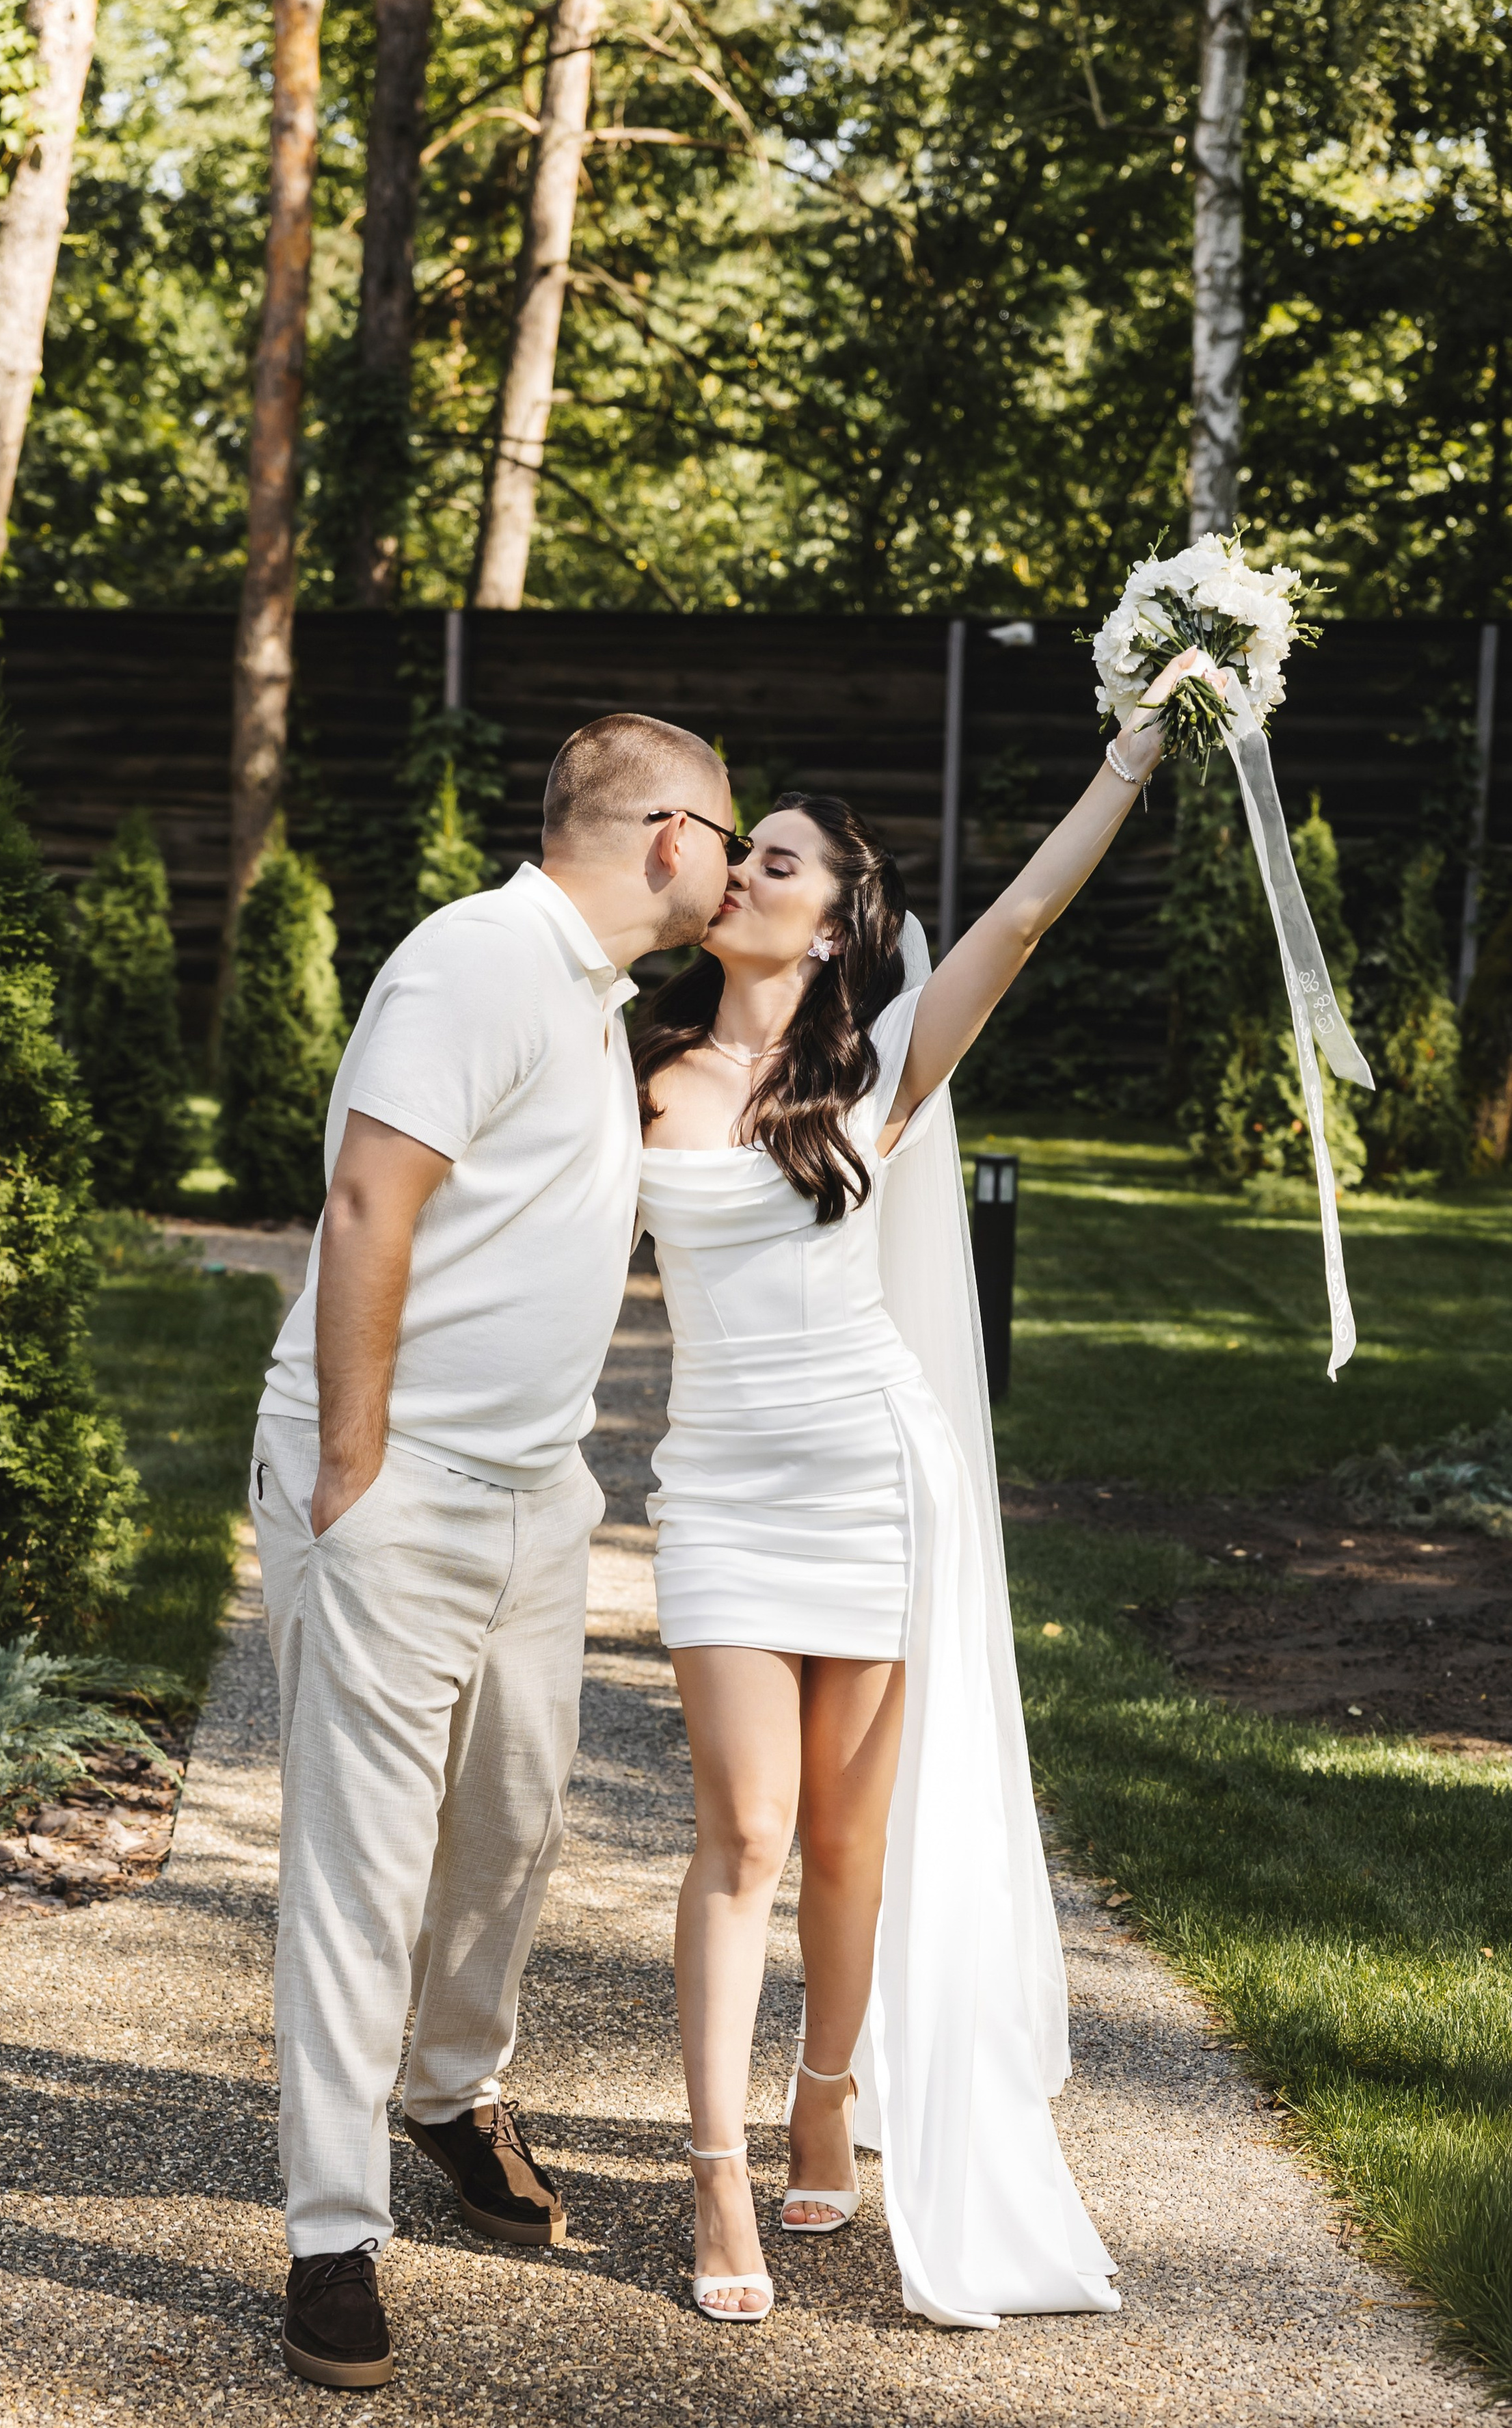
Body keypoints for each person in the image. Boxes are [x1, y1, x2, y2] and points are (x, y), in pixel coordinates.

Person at [633, 648, 1203, 2326]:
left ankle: (827, 2090)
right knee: (739, 1831)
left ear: (827, 928)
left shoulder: (877, 1069)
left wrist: (1127, 760)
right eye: (741, 852)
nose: (742, 870)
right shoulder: (634, 1060)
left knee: (842, 1838)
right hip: (720, 1489)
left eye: (778, 860)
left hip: (873, 1482)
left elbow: (1014, 925)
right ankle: (718, 2171)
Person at [249, 712, 738, 2388]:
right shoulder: (472, 958)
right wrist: (352, 1469)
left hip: (536, 1495)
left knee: (513, 1819)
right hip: (397, 1488)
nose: (737, 863)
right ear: (665, 836)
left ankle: (450, 2089)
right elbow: (369, 1199)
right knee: (361, 1863)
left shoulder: (589, 994)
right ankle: (330, 2231)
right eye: (726, 834)